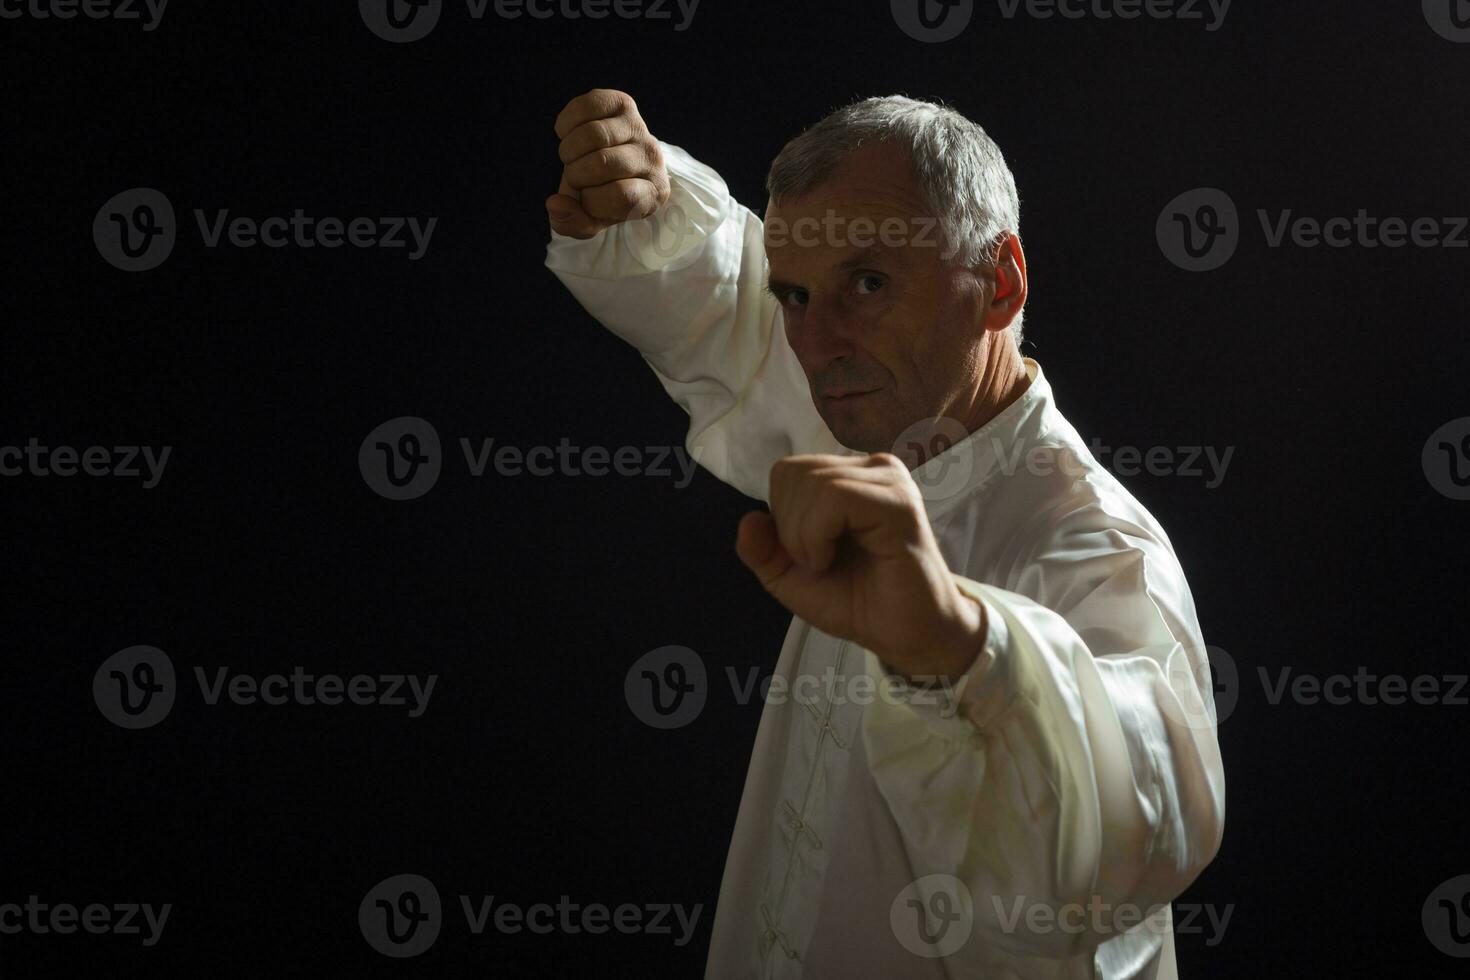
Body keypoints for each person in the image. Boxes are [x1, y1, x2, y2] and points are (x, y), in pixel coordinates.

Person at [543, 88, 1226, 979]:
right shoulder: (879, 414)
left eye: (869, 282)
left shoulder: (1098, 546)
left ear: (1000, 282)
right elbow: (742, 325)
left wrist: (958, 644)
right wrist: (655, 204)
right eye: (797, 294)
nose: (818, 344)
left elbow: (1137, 821)